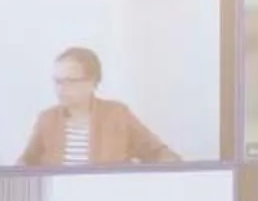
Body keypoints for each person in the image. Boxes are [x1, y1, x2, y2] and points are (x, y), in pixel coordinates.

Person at [19, 48, 178, 167]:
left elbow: (159, 153)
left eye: (70, 81)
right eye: (57, 82)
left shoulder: (117, 114)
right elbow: (26, 164)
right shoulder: (47, 119)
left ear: (93, 82)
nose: (61, 89)